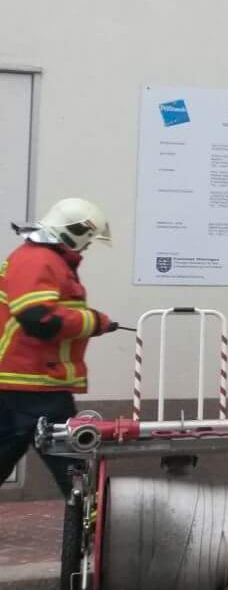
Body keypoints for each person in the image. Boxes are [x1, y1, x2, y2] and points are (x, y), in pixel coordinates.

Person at [0, 198, 117, 497]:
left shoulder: (39, 258)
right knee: (75, 466)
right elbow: (39, 319)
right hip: (34, 382)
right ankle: (91, 519)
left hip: (25, 381)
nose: (86, 247)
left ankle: (87, 513)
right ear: (74, 232)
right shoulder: (40, 260)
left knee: (67, 462)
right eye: (87, 239)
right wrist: (94, 321)